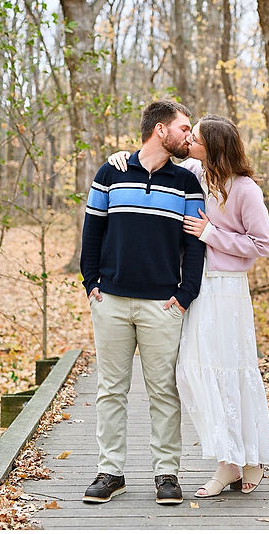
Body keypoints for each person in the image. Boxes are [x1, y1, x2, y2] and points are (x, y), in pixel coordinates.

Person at [109, 114, 269, 497]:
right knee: (191, 371)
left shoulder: (245, 189)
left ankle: (245, 460)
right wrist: (123, 160)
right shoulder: (194, 173)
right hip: (197, 287)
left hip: (228, 291)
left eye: (195, 138)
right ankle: (229, 457)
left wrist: (212, 234)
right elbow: (154, 165)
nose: (188, 141)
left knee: (231, 371)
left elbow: (262, 244)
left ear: (212, 147)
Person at [79, 101, 206, 506]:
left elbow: (195, 246)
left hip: (163, 306)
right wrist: (90, 283)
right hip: (111, 301)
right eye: (184, 128)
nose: (189, 136)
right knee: (110, 390)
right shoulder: (110, 173)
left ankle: (166, 473)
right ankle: (110, 472)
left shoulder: (187, 183)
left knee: (164, 392)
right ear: (160, 130)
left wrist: (185, 295)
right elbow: (92, 232)